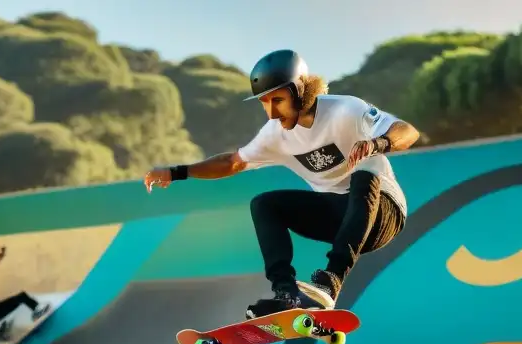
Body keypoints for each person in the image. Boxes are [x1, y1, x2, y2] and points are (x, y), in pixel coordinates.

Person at [143, 49, 419, 319]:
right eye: (265, 103)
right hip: (339, 218)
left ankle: (331, 281)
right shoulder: (273, 136)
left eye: (278, 100)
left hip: (384, 213)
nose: (272, 113)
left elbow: (408, 132)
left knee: (367, 166)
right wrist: (176, 172)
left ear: (300, 90)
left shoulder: (346, 110)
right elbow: (232, 162)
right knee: (264, 204)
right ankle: (287, 295)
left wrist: (377, 143)